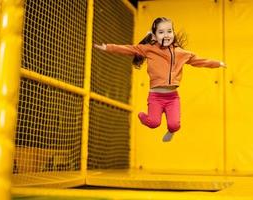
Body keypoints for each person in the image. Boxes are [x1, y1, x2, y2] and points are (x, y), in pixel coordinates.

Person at [94, 17, 226, 142]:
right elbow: (129, 49)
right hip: (155, 96)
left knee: (174, 125)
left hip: (172, 97)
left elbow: (200, 61)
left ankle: (171, 131)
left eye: (169, 31)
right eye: (161, 32)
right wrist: (108, 47)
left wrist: (217, 63)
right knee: (153, 123)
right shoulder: (149, 50)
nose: (167, 35)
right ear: (154, 36)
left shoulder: (181, 53)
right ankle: (142, 116)